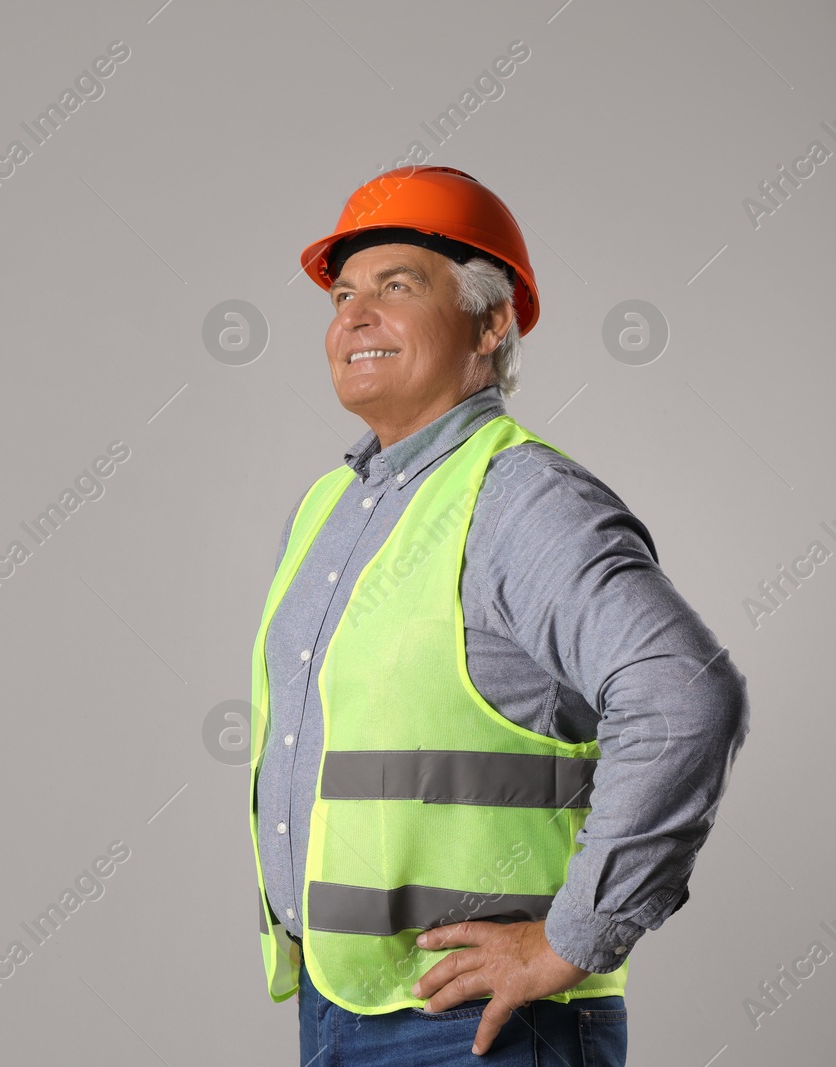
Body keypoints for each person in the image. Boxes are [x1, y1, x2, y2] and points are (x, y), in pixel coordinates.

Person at [247, 166, 749, 1065]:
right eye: (342, 293)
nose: (352, 316)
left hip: (480, 1030)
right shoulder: (329, 506)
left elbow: (682, 697)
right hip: (337, 1008)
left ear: (491, 322)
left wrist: (574, 937)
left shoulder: (521, 497)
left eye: (395, 287)